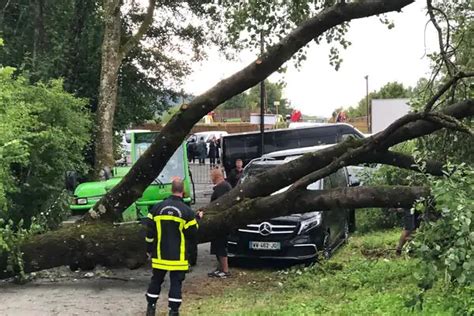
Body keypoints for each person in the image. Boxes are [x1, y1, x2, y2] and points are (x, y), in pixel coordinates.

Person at [145, 178, 202, 316]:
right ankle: (173, 311)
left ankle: (151, 307)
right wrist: (198, 219)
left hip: (160, 255)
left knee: (156, 280)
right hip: (178, 256)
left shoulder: (156, 208)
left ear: (171, 190)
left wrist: (148, 249)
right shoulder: (187, 212)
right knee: (176, 283)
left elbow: (149, 232)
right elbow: (193, 233)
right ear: (183, 192)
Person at [208, 168, 232, 278]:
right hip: (218, 221)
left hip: (221, 222)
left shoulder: (222, 187)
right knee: (217, 246)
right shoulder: (223, 187)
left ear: (215, 177)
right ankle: (220, 268)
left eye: (211, 177)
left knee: (221, 245)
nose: (211, 179)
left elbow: (218, 204)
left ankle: (225, 270)